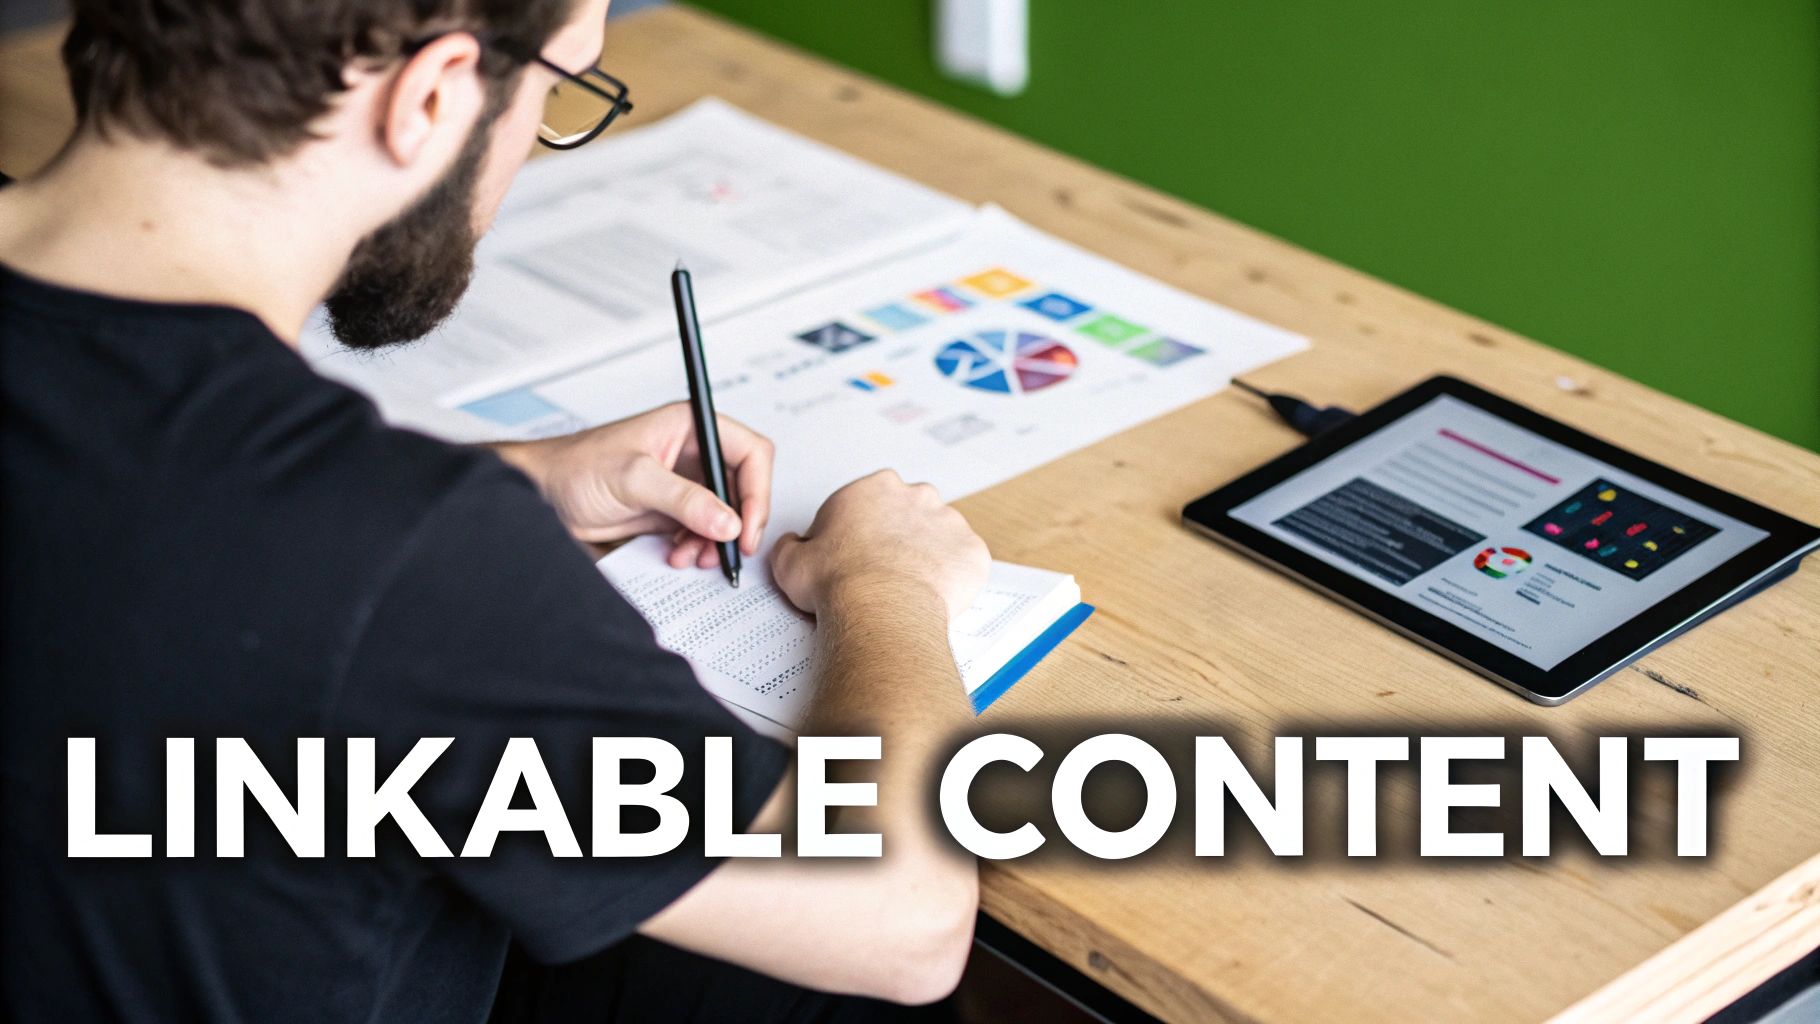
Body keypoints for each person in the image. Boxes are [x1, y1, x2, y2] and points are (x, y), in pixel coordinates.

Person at [0, 0, 992, 1020]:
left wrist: (517, 474)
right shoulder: (399, 553)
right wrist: (887, 582)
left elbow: (150, 505)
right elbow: (905, 924)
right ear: (431, 93)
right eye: (557, 88)